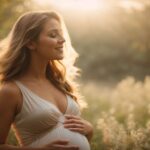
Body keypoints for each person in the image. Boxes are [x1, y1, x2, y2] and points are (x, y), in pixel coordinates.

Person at [0, 11, 93, 150]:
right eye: (53, 35)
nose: (62, 40)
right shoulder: (11, 91)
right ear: (31, 43)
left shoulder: (60, 83)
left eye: (61, 34)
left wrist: (89, 130)